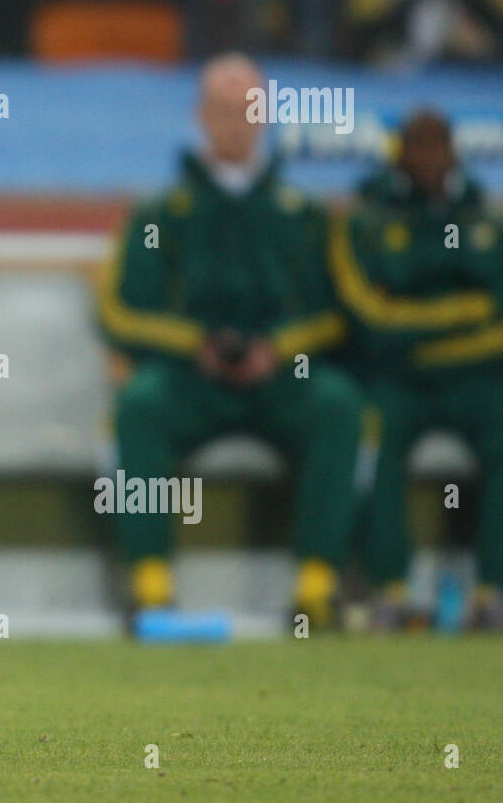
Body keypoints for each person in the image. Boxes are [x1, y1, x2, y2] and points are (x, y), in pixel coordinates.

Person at [97, 54, 364, 629]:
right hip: (191, 380)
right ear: (199, 115)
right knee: (139, 405)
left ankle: (317, 588)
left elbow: (336, 315)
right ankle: (150, 587)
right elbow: (120, 311)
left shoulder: (304, 215)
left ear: (266, 116)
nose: (236, 123)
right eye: (223, 110)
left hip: (280, 379)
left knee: (338, 405)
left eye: (248, 109)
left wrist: (280, 349)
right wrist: (195, 344)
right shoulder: (160, 214)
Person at [330, 109, 503, 630]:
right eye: (417, 146)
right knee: (372, 436)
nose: (428, 158)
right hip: (396, 382)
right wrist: (465, 315)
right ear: (398, 153)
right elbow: (370, 322)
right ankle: (390, 589)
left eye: (438, 146)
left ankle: (491, 592)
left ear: (455, 151)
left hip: (477, 382)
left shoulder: (484, 221)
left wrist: (420, 335)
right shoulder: (369, 218)